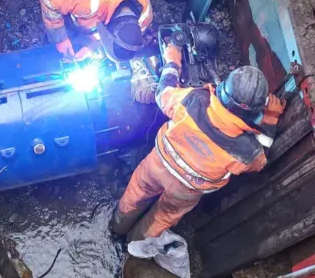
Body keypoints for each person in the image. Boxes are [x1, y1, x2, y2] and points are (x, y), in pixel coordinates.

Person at [110, 44, 286, 241]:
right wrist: (270, 119)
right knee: (161, 217)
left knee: (136, 194)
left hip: (157, 166)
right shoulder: (246, 149)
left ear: (223, 90)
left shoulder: (194, 99)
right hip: (186, 190)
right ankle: (135, 245)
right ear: (254, 111)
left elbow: (163, 93)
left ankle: (117, 228)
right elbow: (261, 162)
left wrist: (172, 60)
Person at [39, 0, 153, 63]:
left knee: (85, 36)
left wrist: (91, 49)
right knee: (66, 33)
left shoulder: (144, 16)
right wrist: (60, 38)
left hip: (102, 10)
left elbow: (121, 41)